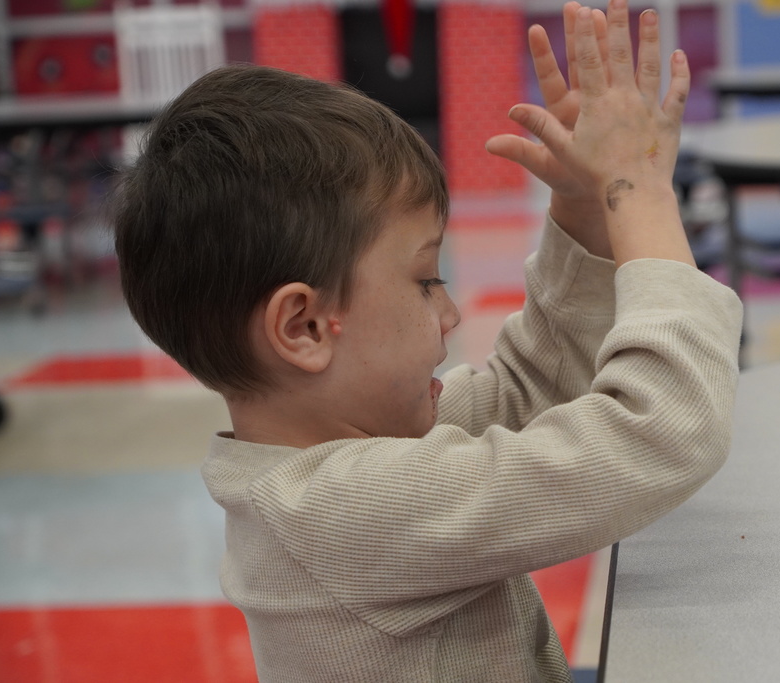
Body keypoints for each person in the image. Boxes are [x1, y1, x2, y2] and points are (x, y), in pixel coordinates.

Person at [111, 0, 742, 680]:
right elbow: (659, 432)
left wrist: (587, 209)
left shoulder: (346, 446)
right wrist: (638, 193)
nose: (450, 310)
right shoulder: (340, 512)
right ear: (304, 327)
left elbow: (529, 391)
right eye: (425, 279)